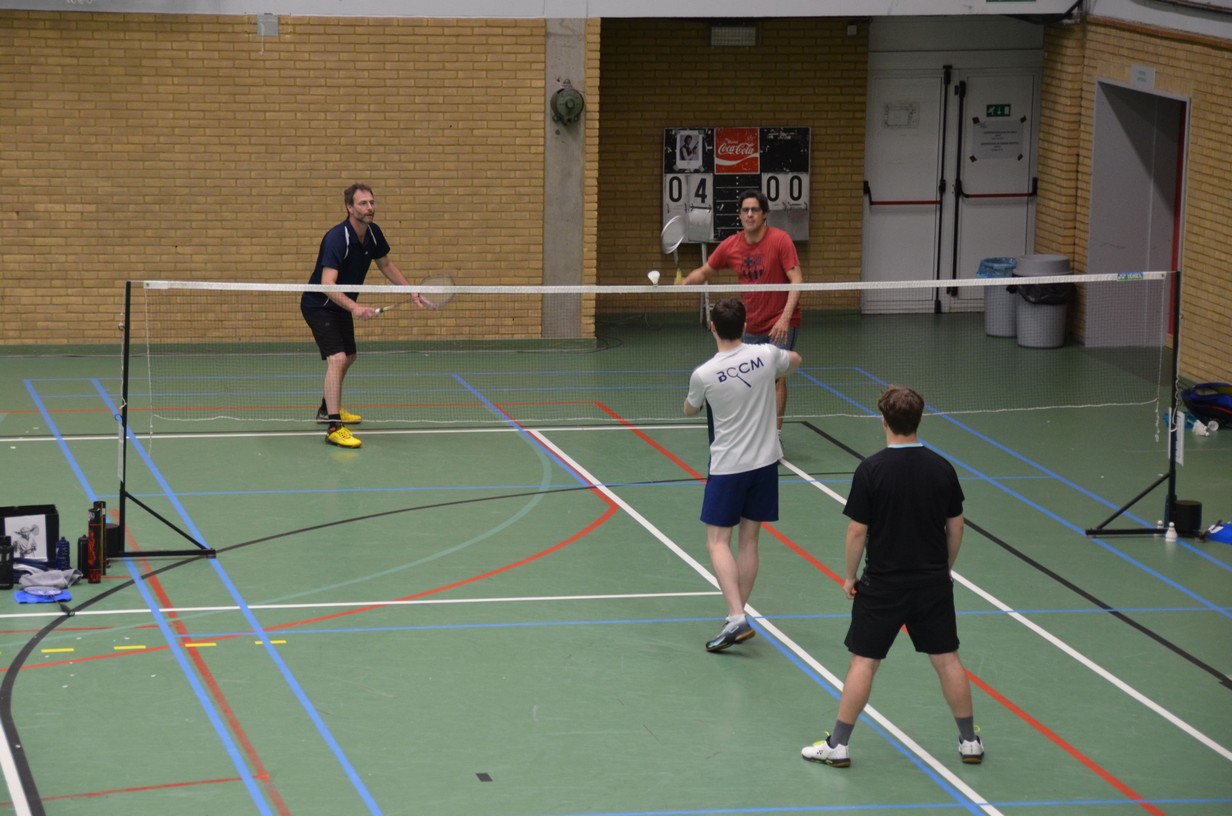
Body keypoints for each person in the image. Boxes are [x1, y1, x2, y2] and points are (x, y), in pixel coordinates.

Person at [801, 385, 983, 768]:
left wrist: (849, 576)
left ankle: (839, 745)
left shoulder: (872, 470)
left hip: (883, 585)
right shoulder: (942, 468)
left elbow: (857, 531)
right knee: (947, 660)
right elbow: (956, 525)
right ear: (919, 420)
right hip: (932, 584)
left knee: (864, 663)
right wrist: (944, 568)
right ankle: (969, 741)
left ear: (883, 420)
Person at [684, 298, 801, 652]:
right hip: (765, 464)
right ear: (745, 325)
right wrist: (773, 372)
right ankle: (736, 616)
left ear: (712, 327)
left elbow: (689, 409)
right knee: (749, 542)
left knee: (717, 541)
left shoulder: (704, 374)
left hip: (728, 468)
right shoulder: (766, 355)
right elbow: (795, 360)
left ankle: (736, 616)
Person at [301, 183, 427, 449]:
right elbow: (327, 284)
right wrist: (355, 308)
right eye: (363, 203)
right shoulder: (338, 238)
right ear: (350, 207)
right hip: (319, 305)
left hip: (341, 305)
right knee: (337, 359)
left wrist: (411, 290)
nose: (370, 208)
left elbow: (386, 264)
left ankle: (326, 408)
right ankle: (334, 427)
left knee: (349, 356)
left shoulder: (373, 233)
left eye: (372, 202)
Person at [677, 190, 803, 434]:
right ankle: (753, 427)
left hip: (781, 320)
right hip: (752, 323)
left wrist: (785, 318)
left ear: (764, 214)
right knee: (752, 376)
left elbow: (796, 279)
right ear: (740, 215)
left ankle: (774, 434)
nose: (749, 214)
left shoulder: (781, 240)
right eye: (745, 210)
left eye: (755, 210)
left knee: (776, 377)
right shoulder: (732, 245)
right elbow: (704, 271)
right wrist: (684, 283)